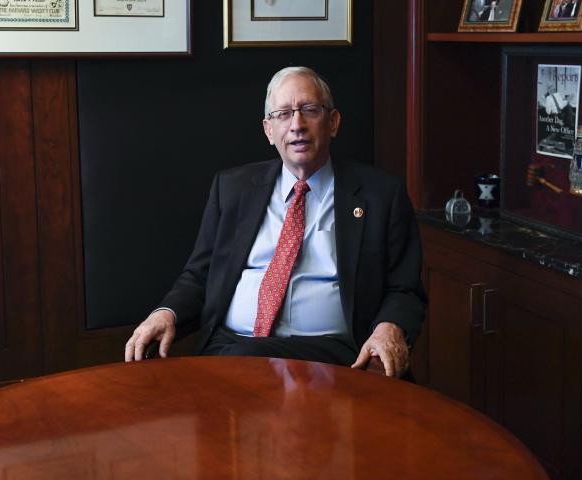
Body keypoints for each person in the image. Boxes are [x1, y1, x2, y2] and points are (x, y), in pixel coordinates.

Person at [124, 67, 426, 377]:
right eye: (283, 114)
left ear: (333, 122)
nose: (297, 125)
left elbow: (405, 289)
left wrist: (388, 328)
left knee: (242, 365)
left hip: (335, 354)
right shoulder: (232, 188)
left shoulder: (380, 195)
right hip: (231, 344)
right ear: (269, 130)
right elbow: (199, 275)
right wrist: (166, 313)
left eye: (309, 110)